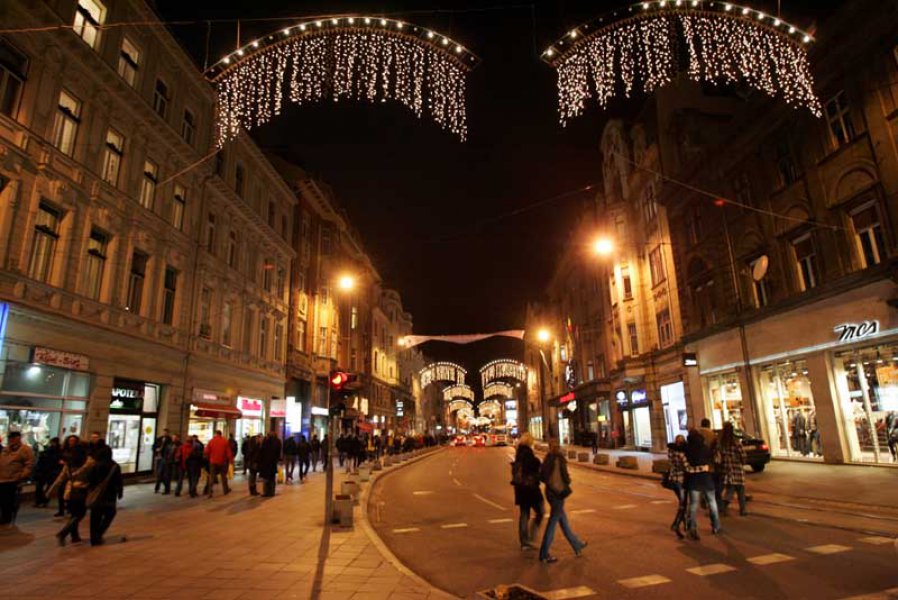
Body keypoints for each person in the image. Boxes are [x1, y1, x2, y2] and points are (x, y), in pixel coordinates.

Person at [538, 439, 587, 563]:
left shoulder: (547, 458)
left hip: (549, 492)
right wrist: (567, 481)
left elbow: (542, 476)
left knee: (563, 521)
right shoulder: (559, 458)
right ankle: (544, 554)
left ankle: (576, 544)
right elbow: (565, 477)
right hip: (558, 493)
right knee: (552, 523)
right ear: (558, 447)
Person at [49, 442, 92, 545]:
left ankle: (75, 537)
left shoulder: (69, 463)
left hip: (70, 491)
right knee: (80, 514)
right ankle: (63, 533)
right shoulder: (89, 463)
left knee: (73, 514)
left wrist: (51, 490)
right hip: (82, 490)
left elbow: (61, 478)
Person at [684, 429, 721, 540]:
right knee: (712, 502)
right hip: (706, 477)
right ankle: (716, 525)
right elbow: (712, 459)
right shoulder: (705, 447)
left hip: (694, 479)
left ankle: (692, 528)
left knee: (693, 505)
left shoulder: (688, 449)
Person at [512, 433, 544, 551]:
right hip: (530, 489)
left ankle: (524, 541)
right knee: (540, 511)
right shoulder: (527, 453)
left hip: (520, 489)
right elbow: (534, 466)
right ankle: (530, 537)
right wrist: (538, 461)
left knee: (524, 514)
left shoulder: (519, 453)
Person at [87, 442, 122, 546]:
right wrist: (120, 492)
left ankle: (94, 538)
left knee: (95, 517)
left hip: (97, 494)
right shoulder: (114, 466)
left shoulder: (95, 465)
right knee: (110, 514)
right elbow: (119, 480)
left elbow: (90, 479)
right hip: (110, 494)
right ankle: (99, 534)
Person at [0, 431, 35, 525]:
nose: (11, 440)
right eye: (10, 438)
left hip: (12, 479)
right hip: (2, 478)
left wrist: (22, 476)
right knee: (2, 499)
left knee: (8, 500)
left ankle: (6, 518)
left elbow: (29, 465)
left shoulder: (25, 450)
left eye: (13, 438)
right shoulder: (6, 449)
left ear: (18, 438)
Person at [717, 422, 747, 516]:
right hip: (737, 469)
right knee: (740, 490)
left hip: (727, 470)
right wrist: (742, 461)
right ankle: (743, 509)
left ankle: (723, 507)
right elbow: (742, 455)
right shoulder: (736, 442)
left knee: (730, 490)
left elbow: (720, 457)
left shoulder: (722, 443)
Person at [666, 434, 688, 539]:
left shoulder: (671, 452)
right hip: (681, 480)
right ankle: (676, 524)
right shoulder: (681, 454)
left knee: (682, 503)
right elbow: (685, 466)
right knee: (683, 504)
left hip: (673, 479)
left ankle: (685, 524)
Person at [33, 437, 62, 508]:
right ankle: (42, 500)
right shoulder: (54, 451)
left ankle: (41, 501)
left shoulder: (50, 451)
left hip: (48, 471)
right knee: (45, 487)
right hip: (48, 471)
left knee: (43, 487)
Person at [204, 430, 233, 498]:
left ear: (215, 434)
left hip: (213, 462)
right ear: (221, 434)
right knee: (223, 477)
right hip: (222, 462)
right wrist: (231, 461)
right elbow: (228, 452)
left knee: (212, 477)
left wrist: (208, 458)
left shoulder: (211, 441)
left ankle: (210, 492)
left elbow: (206, 451)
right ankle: (225, 490)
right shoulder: (225, 441)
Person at [258, 430, 282, 497]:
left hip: (266, 463)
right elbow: (278, 452)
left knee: (266, 478)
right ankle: (271, 492)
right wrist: (277, 459)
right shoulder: (277, 441)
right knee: (272, 478)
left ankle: (266, 492)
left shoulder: (266, 441)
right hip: (272, 463)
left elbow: (262, 451)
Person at [153, 429, 172, 494]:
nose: (165, 433)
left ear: (168, 433)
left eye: (166, 433)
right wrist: (156, 450)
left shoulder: (170, 440)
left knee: (164, 475)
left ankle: (166, 488)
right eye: (164, 432)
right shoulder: (159, 439)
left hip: (165, 459)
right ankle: (157, 488)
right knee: (159, 474)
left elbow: (169, 450)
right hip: (159, 458)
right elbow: (154, 446)